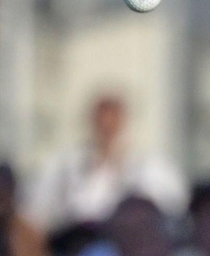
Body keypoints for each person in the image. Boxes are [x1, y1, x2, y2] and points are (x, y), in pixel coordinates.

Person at [30, 95, 186, 231]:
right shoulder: (67, 164)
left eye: (113, 119)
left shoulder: (152, 166)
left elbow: (172, 207)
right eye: (101, 120)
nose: (107, 127)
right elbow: (37, 208)